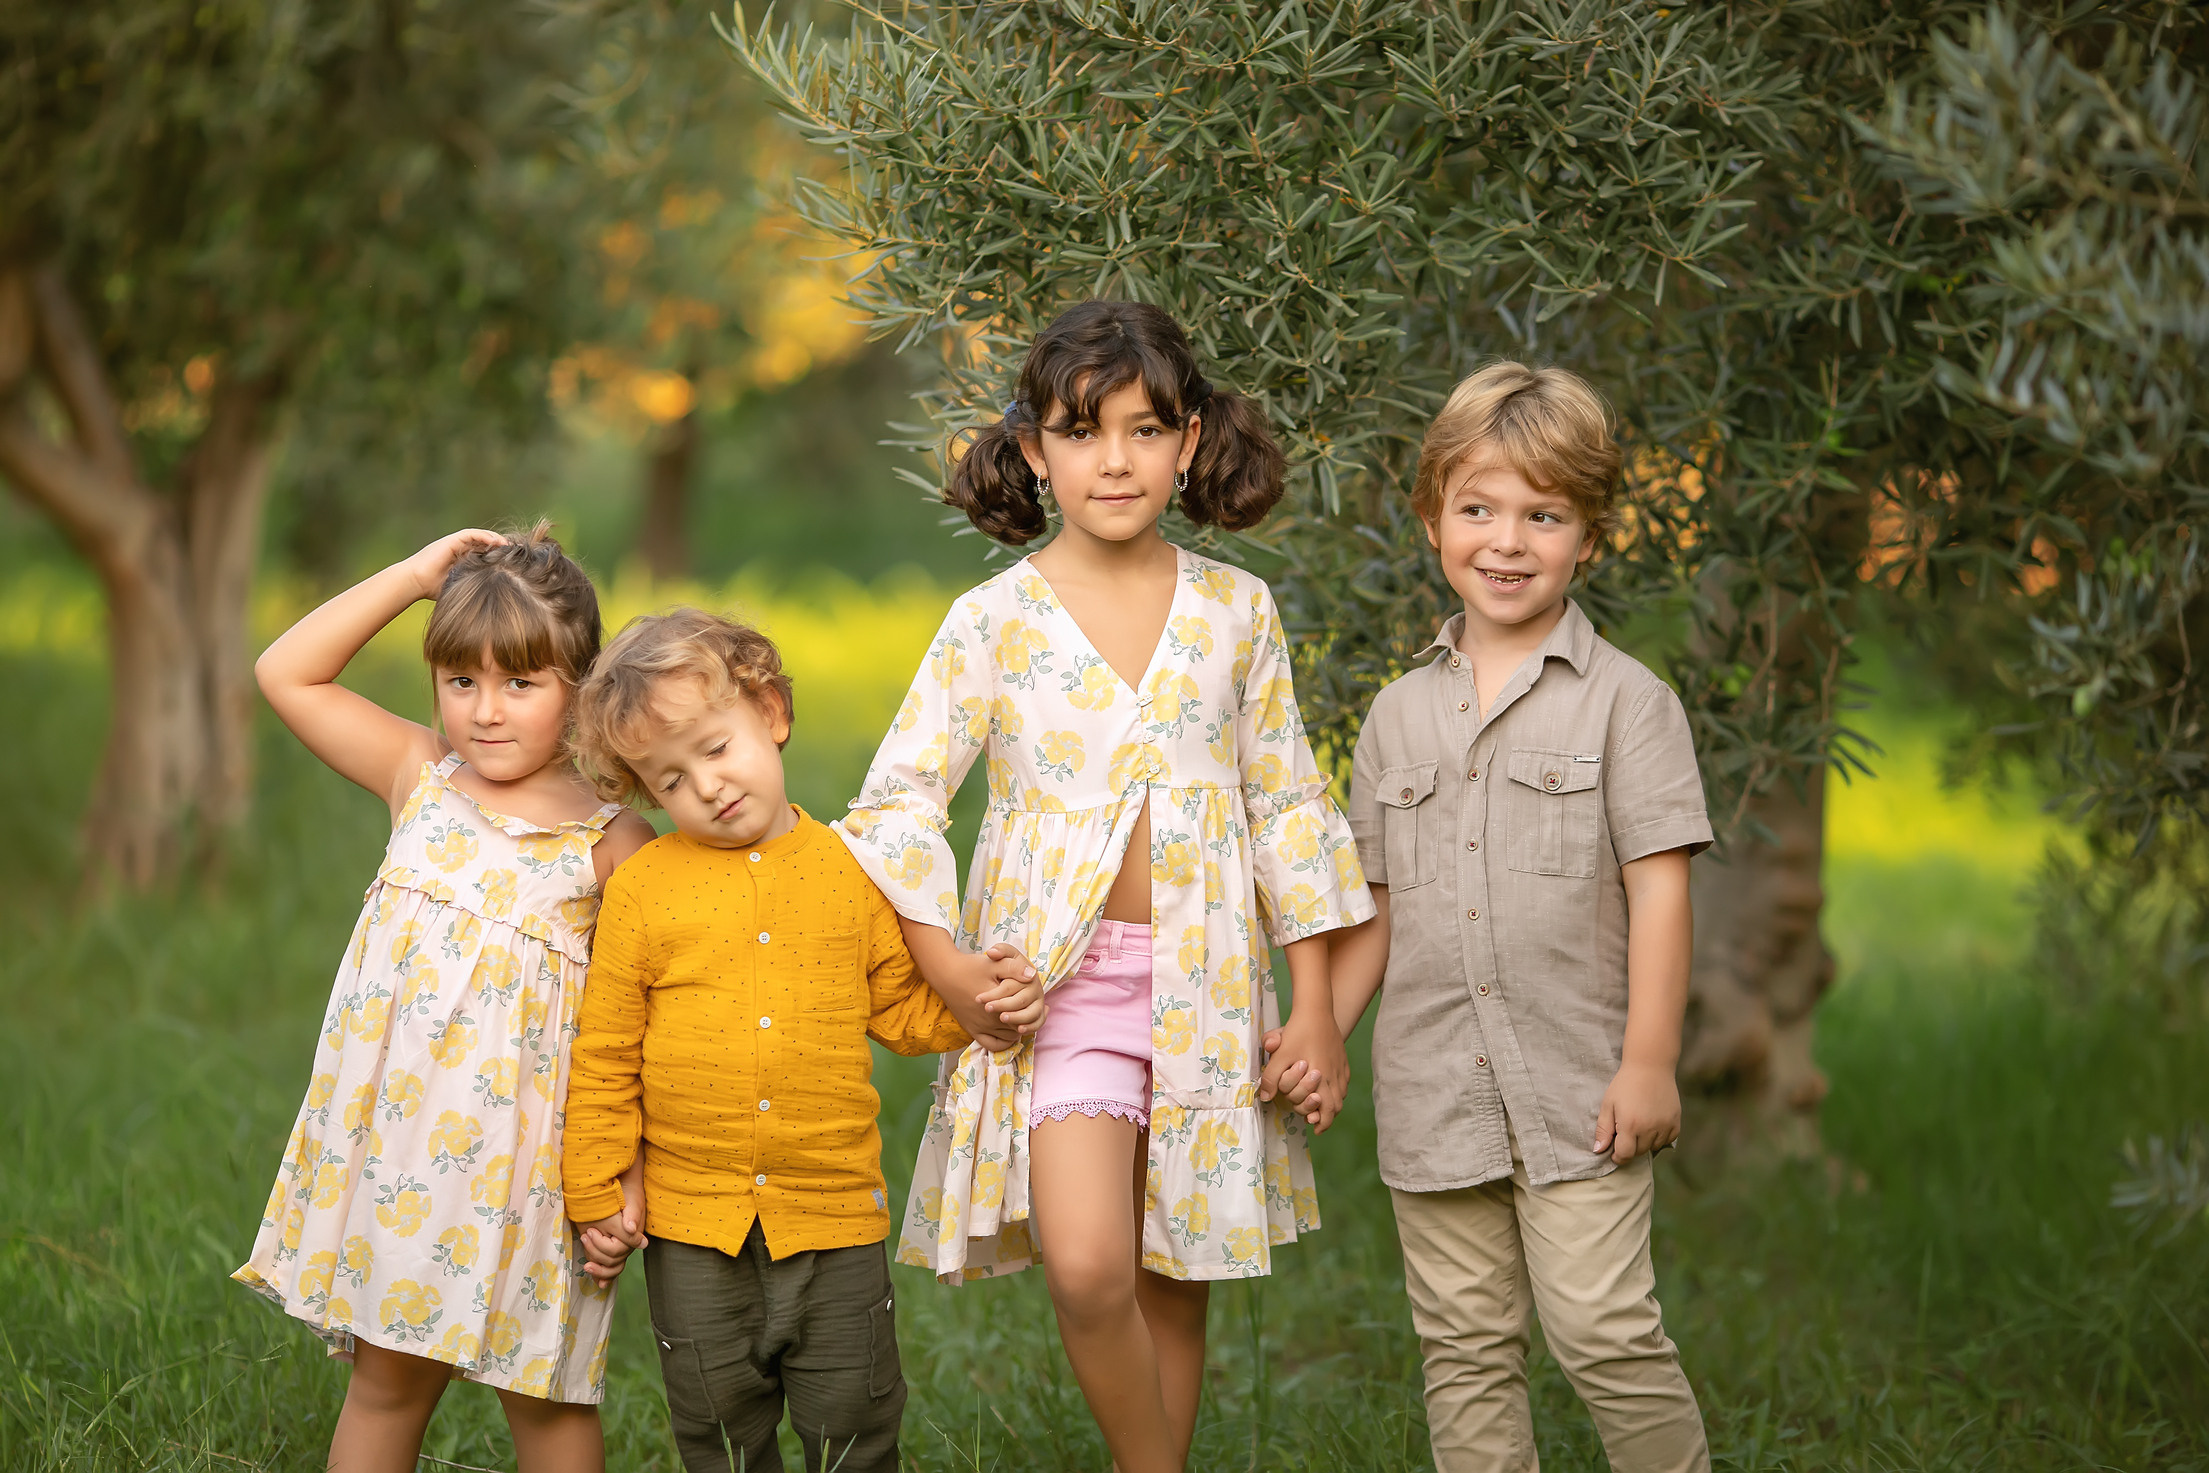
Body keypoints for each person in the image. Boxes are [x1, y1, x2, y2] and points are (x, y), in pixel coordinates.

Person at [840, 300, 1373, 1473]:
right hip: (1058, 991)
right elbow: (896, 806)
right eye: (1083, 433)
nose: (1116, 459)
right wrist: (954, 974)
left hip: (1208, 986)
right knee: (1089, 1267)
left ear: (1188, 443)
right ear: (1036, 451)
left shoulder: (1236, 610)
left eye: (1145, 429)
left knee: (1174, 1263)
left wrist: (1319, 1008)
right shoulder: (993, 622)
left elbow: (1289, 808)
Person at [1286, 361, 1714, 1473]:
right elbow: (1374, 900)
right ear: (1433, 519)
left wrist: (1650, 1060)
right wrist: (1319, 1023)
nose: (1507, 541)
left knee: (1604, 1333)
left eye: (1544, 514)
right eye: (1478, 509)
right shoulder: (1395, 716)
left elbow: (1660, 889)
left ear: (1589, 535)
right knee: (1464, 1348)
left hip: (1582, 1091)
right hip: (1434, 1092)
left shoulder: (1630, 704)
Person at [560, 607, 1045, 1473]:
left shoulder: (850, 872)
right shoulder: (640, 890)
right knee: (717, 1432)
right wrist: (596, 1188)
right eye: (669, 779)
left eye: (715, 748)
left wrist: (987, 1009)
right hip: (691, 1226)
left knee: (854, 1425)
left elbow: (904, 1008)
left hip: (832, 1217)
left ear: (771, 712)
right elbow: (606, 1053)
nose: (704, 786)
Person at [233, 525, 657, 1473]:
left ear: (578, 686)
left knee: (545, 1396)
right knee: (386, 1384)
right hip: (401, 1160)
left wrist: (620, 1176)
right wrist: (416, 577)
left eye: (520, 683)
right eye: (461, 681)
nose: (486, 712)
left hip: (539, 1172)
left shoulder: (613, 841)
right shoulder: (420, 778)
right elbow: (285, 672)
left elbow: (641, 1027)